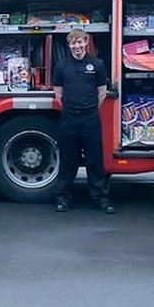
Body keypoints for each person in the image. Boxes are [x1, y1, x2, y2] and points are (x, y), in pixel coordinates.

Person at [51, 28, 113, 213]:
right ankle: (62, 198)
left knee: (95, 161)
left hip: (90, 118)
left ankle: (100, 199)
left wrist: (88, 108)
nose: (77, 46)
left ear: (86, 42)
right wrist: (71, 107)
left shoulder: (97, 65)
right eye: (73, 43)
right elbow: (58, 93)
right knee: (68, 161)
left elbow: (102, 93)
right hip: (69, 118)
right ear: (69, 45)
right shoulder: (61, 66)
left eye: (80, 42)